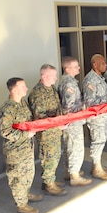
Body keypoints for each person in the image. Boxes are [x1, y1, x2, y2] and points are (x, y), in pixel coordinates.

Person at [0, 78, 41, 213]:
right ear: (14, 90)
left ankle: (25, 194)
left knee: (28, 173)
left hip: (26, 148)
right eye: (23, 86)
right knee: (18, 177)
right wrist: (26, 135)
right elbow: (5, 131)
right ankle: (21, 204)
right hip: (15, 151)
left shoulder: (23, 103)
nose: (26, 88)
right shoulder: (7, 108)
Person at [28, 64, 67, 196]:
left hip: (55, 130)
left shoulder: (52, 89)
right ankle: (49, 184)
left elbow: (57, 107)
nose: (56, 78)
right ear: (43, 76)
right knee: (48, 157)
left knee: (55, 156)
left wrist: (61, 120)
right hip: (46, 133)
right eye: (53, 76)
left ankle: (50, 180)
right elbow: (40, 116)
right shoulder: (37, 93)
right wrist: (58, 124)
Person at [58, 57, 92, 186]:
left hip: (73, 120)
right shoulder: (69, 83)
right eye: (76, 66)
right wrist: (82, 112)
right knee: (75, 147)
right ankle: (74, 176)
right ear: (68, 69)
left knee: (69, 147)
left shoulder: (69, 81)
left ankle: (69, 171)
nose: (79, 68)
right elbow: (69, 106)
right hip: (73, 121)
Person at [83, 54, 107, 180]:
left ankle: (98, 164)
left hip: (103, 116)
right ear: (95, 64)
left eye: (105, 63)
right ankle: (96, 168)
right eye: (102, 63)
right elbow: (90, 100)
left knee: (102, 140)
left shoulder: (100, 78)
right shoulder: (90, 80)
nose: (105, 65)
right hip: (96, 117)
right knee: (97, 141)